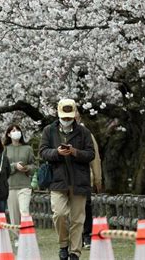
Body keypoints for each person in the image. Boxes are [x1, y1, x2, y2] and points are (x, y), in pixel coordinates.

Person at [40, 99, 95, 260]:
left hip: (79, 181)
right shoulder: (49, 131)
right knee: (59, 214)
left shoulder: (84, 132)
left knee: (78, 219)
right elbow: (42, 152)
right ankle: (63, 244)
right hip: (58, 181)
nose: (66, 120)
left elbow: (91, 154)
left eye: (69, 117)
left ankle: (75, 252)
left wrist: (75, 152)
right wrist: (56, 152)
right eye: (64, 117)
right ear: (58, 114)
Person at [5, 124, 36, 247]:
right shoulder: (5, 149)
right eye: (13, 130)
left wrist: (27, 168)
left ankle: (27, 235)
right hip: (11, 185)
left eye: (18, 130)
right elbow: (4, 167)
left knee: (24, 211)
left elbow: (34, 166)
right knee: (14, 214)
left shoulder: (27, 148)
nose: (16, 132)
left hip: (25, 185)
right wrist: (14, 166)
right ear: (8, 134)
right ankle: (17, 237)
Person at [75, 111, 102, 249]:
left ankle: (87, 236)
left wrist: (98, 179)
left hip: (85, 178)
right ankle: (75, 237)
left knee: (85, 207)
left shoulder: (87, 134)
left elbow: (95, 158)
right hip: (65, 179)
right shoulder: (57, 133)